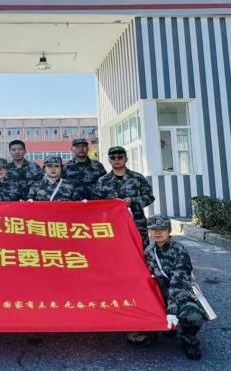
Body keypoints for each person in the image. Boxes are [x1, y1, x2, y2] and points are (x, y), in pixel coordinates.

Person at [145, 214, 204, 360]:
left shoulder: (179, 251)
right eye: (154, 229)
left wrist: (171, 311)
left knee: (192, 316)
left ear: (169, 230)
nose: (157, 232)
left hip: (179, 295)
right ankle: (157, 330)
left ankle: (189, 341)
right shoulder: (149, 251)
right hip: (158, 297)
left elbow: (178, 284)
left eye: (162, 229)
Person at [93, 146, 155, 248]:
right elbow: (96, 202)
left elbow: (149, 197)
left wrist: (133, 201)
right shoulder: (102, 181)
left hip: (136, 224)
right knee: (115, 251)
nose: (116, 160)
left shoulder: (137, 178)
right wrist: (110, 204)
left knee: (139, 250)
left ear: (126, 158)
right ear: (109, 160)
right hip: (112, 224)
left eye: (120, 157)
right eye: (113, 157)